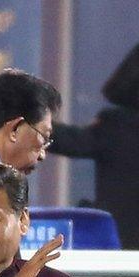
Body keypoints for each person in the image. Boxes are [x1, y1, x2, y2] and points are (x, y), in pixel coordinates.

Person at [49, 43, 139, 249]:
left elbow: (71, 141)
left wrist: (28, 119)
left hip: (120, 247)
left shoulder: (117, 126)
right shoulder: (118, 126)